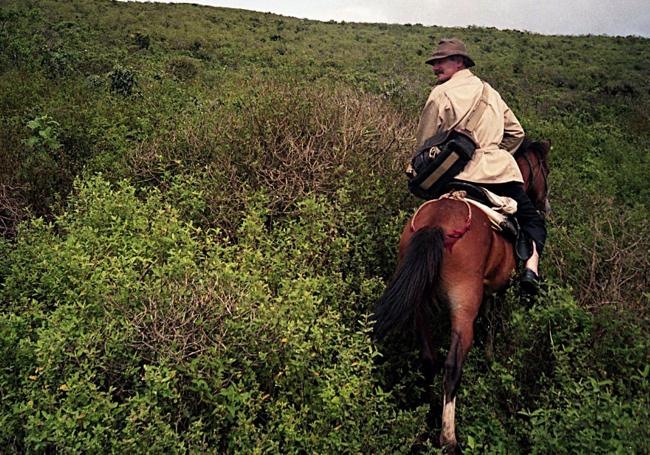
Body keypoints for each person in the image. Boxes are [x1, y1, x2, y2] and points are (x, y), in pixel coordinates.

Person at [415, 38, 546, 292]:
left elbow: (424, 144)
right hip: (500, 176)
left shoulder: (440, 93)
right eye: (434, 63)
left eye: (440, 62)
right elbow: (517, 133)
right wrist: (493, 154)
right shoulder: (491, 92)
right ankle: (531, 270)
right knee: (533, 221)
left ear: (459, 62)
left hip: (455, 175)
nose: (435, 68)